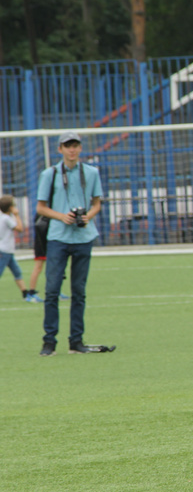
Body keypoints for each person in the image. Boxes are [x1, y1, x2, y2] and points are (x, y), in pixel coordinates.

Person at [36, 132, 105, 356]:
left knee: (79, 291)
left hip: (84, 237)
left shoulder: (92, 172)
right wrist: (61, 216)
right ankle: (49, 341)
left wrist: (87, 217)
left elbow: (97, 204)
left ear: (80, 148)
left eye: (75, 145)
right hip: (58, 237)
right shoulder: (50, 174)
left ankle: (76, 340)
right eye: (67, 146)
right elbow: (41, 207)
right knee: (52, 290)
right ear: (60, 149)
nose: (72, 149)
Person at [0, 195, 32, 301]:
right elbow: (20, 228)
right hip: (4, 251)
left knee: (17, 272)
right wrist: (17, 215)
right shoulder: (6, 219)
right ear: (10, 207)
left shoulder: (3, 218)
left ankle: (25, 293)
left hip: (8, 251)